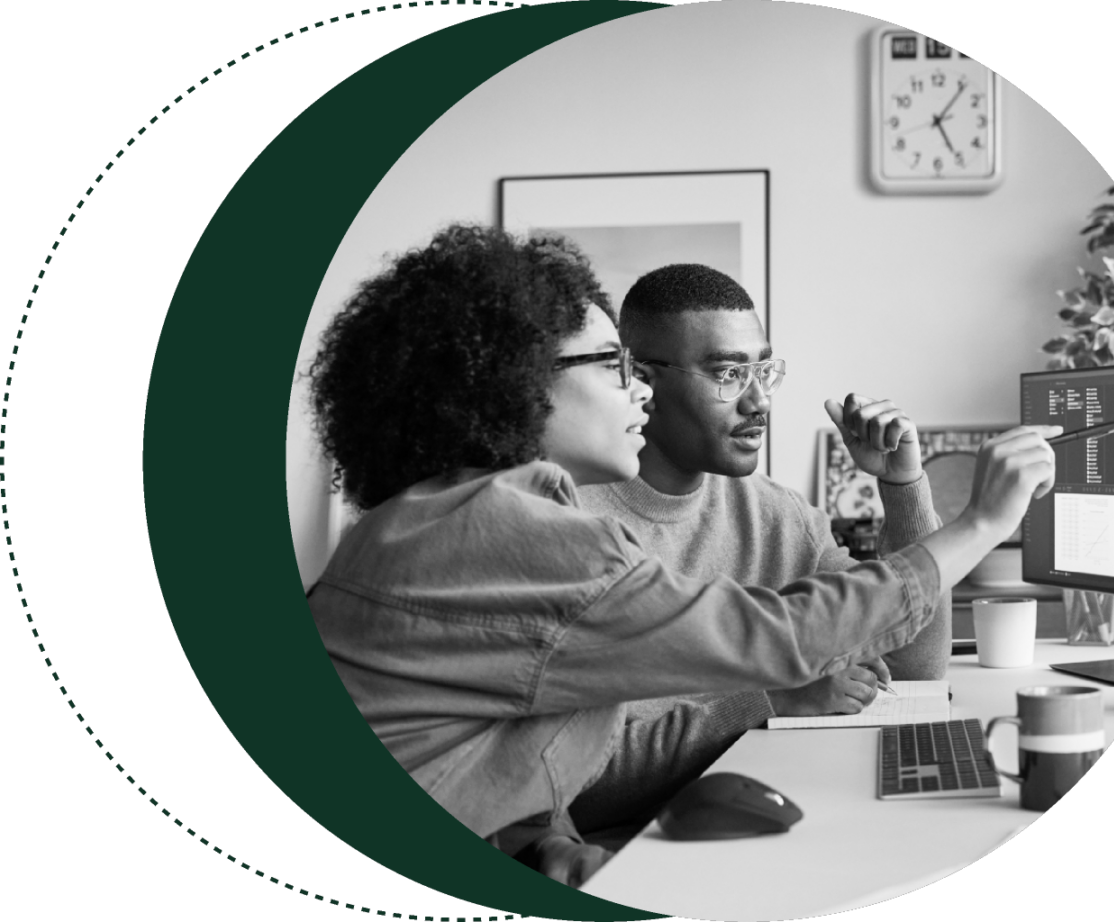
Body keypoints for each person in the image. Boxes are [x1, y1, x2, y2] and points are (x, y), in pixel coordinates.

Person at [305, 224, 1059, 888]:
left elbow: (475, 755)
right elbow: (779, 639)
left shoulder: (441, 519)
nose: (633, 392)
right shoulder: (508, 532)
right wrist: (984, 520)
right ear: (518, 384)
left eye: (762, 371)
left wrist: (545, 850)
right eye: (612, 366)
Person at [572, 264, 951, 837]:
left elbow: (912, 665)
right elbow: (578, 785)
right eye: (728, 373)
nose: (759, 402)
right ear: (640, 380)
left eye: (763, 371)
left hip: (763, 808)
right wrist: (772, 701)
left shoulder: (778, 515)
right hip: (632, 852)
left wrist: (902, 488)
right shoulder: (566, 525)